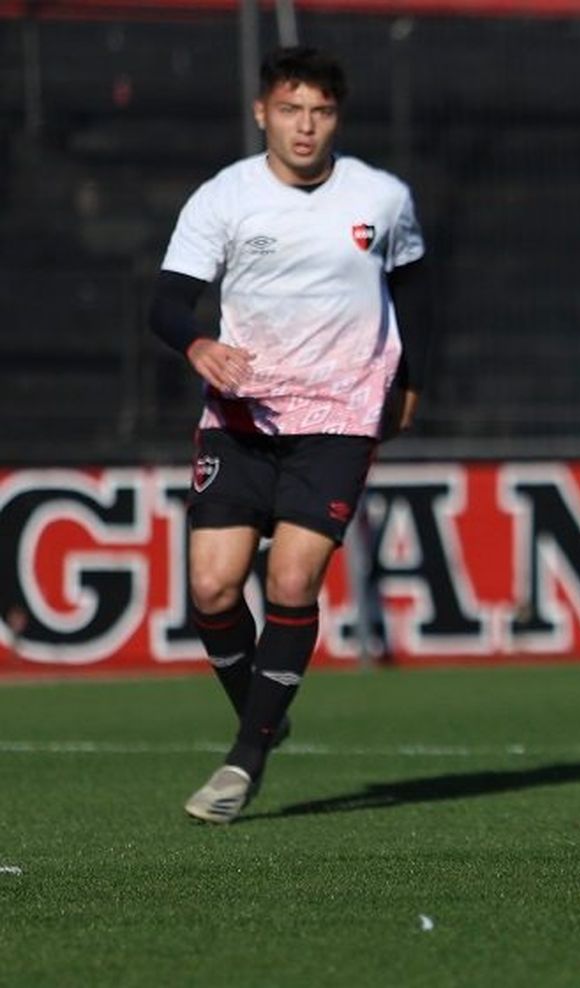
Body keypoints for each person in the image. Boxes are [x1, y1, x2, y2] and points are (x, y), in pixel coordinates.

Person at [149, 46, 432, 824]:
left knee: (293, 582)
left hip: (340, 418)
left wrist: (408, 381)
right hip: (242, 418)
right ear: (262, 113)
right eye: (290, 110)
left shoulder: (381, 196)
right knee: (211, 588)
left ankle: (245, 758)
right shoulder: (225, 198)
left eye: (321, 112)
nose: (305, 127)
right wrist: (198, 344)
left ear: (335, 118)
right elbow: (167, 303)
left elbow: (413, 289)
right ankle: (264, 709)